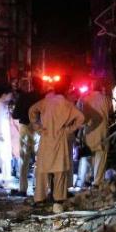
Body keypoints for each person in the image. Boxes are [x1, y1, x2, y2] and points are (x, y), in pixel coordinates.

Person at [29, 77, 84, 205]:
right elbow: (80, 117)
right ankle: (58, 198)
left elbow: (32, 111)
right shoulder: (66, 103)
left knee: (43, 169)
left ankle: (40, 198)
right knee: (59, 170)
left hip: (46, 137)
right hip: (60, 138)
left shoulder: (46, 102)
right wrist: (69, 129)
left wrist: (38, 127)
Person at [11, 76, 43, 196]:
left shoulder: (24, 97)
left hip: (25, 128)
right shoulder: (42, 98)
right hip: (38, 129)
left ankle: (23, 189)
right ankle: (38, 187)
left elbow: (15, 115)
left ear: (31, 84)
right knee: (39, 159)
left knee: (24, 159)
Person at [80, 80, 112, 187]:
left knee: (89, 155)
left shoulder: (86, 99)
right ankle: (97, 181)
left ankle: (86, 177)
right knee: (100, 156)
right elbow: (111, 111)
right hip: (102, 131)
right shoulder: (106, 99)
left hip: (89, 131)